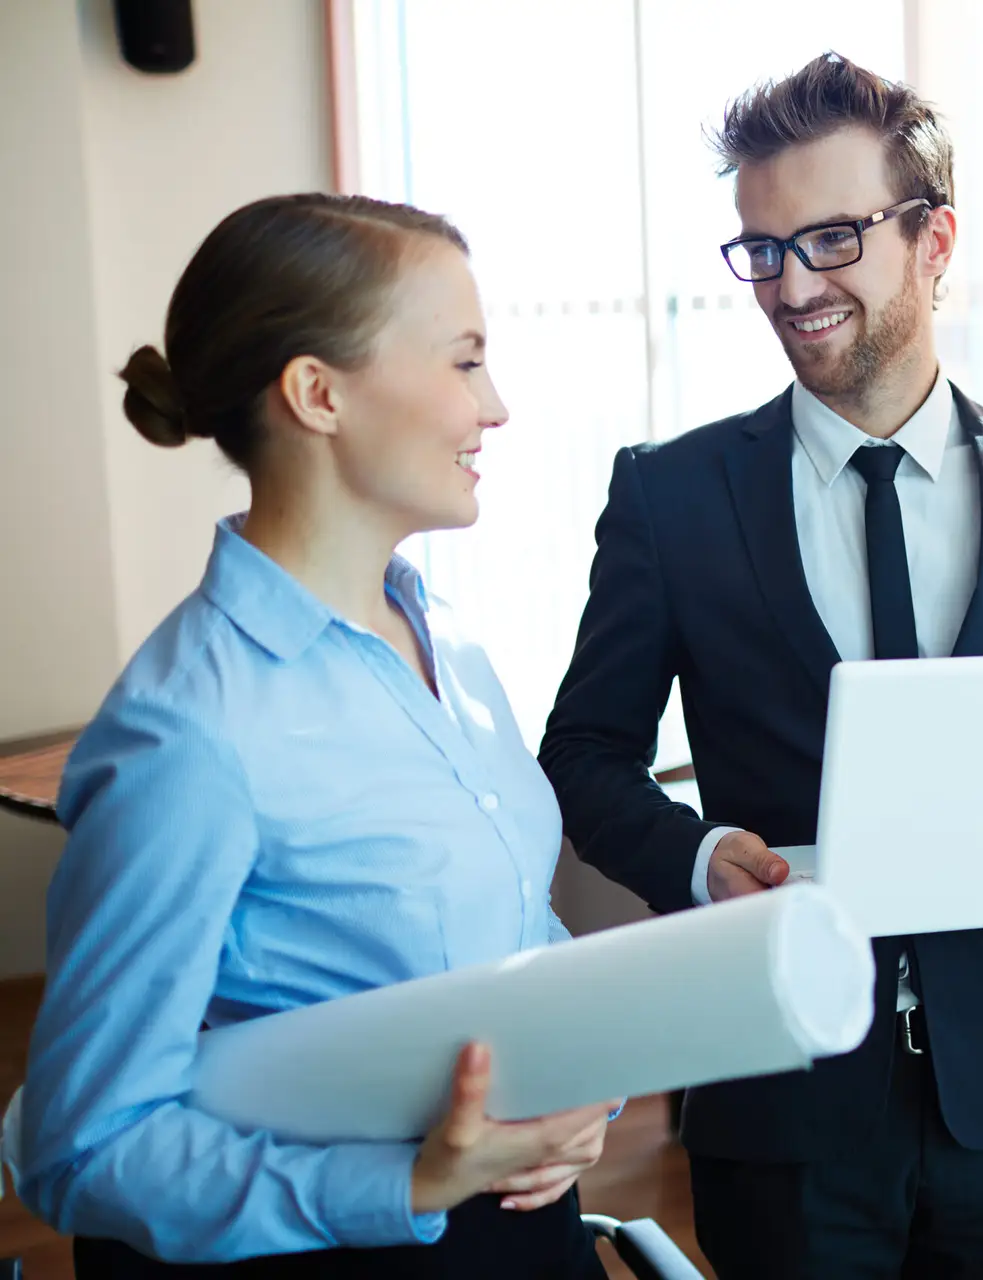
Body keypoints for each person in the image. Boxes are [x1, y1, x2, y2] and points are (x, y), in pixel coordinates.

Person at [539, 53, 983, 1279]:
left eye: (832, 238)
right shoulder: (670, 494)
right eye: (762, 247)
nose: (791, 283)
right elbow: (583, 754)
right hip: (779, 1095)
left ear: (936, 239)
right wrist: (697, 857)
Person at [16, 193, 614, 1277]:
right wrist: (404, 1185)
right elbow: (80, 1146)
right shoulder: (188, 732)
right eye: (465, 360)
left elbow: (510, 927)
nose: (498, 406)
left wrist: (585, 1085)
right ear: (318, 392)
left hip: (528, 1231)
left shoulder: (451, 647)